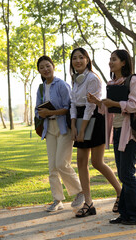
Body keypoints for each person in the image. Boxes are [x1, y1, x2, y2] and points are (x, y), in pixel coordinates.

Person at [87, 49, 136, 225]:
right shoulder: (112, 83)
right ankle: (126, 214)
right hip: (117, 131)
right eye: (110, 59)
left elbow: (135, 105)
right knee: (123, 175)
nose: (110, 62)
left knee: (127, 174)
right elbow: (111, 110)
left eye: (114, 59)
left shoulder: (133, 80)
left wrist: (113, 103)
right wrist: (99, 103)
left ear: (123, 62)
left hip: (131, 133)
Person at [69, 47, 122, 218]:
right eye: (74, 58)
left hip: (93, 119)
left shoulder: (93, 79)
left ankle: (121, 193)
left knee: (97, 162)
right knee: (81, 162)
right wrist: (73, 126)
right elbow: (72, 104)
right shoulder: (75, 79)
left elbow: (90, 106)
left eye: (81, 57)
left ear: (87, 59)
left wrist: (83, 129)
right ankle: (88, 203)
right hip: (80, 119)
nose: (78, 61)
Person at [35, 55, 84, 212]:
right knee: (52, 167)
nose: (45, 69)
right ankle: (57, 200)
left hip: (64, 128)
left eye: (47, 66)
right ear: (39, 71)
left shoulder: (62, 85)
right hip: (49, 129)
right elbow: (37, 109)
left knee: (61, 163)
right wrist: (41, 113)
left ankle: (80, 192)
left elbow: (69, 108)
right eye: (42, 67)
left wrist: (51, 111)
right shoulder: (41, 88)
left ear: (53, 66)